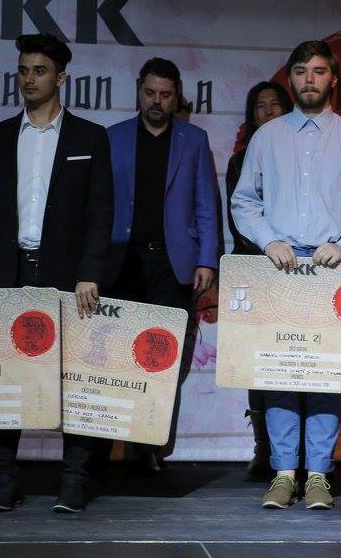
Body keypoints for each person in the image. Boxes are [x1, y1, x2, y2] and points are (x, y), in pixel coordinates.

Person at [232, 40, 341, 509]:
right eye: (301, 71)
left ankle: (319, 473)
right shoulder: (267, 137)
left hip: (330, 270)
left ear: (333, 78)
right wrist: (269, 240)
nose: (309, 79)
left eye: (319, 71)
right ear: (291, 78)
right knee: (280, 371)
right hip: (279, 267)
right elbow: (244, 201)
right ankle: (284, 473)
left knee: (325, 373)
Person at [0, 33, 113, 513]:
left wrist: (90, 272)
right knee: (7, 376)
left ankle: (74, 479)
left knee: (74, 376)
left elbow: (100, 213)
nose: (29, 79)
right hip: (9, 271)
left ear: (61, 77)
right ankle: (5, 479)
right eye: (23, 70)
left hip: (68, 275)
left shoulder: (90, 137)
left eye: (40, 70)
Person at [104, 57, 221, 470]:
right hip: (121, 261)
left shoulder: (194, 140)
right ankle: (110, 443)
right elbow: (98, 205)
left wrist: (207, 259)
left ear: (177, 97)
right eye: (150, 93)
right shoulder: (113, 137)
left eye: (165, 95)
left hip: (172, 263)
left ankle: (150, 447)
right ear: (139, 91)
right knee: (117, 356)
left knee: (163, 358)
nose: (157, 101)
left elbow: (207, 203)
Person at [226, 80, 293, 475]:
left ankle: (298, 453)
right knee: (259, 365)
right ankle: (264, 449)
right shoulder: (240, 162)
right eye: (260, 106)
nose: (268, 112)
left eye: (275, 105)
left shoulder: (303, 157)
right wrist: (270, 251)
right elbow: (239, 221)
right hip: (256, 270)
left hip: (299, 272)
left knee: (298, 361)